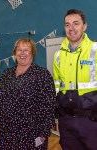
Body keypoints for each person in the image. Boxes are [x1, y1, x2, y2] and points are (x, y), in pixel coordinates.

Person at [0, 38, 56, 150]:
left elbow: (49, 105)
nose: (22, 53)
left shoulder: (42, 75)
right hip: (7, 133)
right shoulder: (6, 74)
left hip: (32, 134)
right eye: (19, 50)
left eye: (26, 50)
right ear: (14, 53)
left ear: (32, 53)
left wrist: (44, 133)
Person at [53, 9, 97, 150]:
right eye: (67, 25)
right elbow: (57, 87)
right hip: (66, 122)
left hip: (91, 122)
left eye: (76, 23)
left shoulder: (95, 50)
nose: (71, 28)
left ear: (84, 26)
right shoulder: (58, 55)